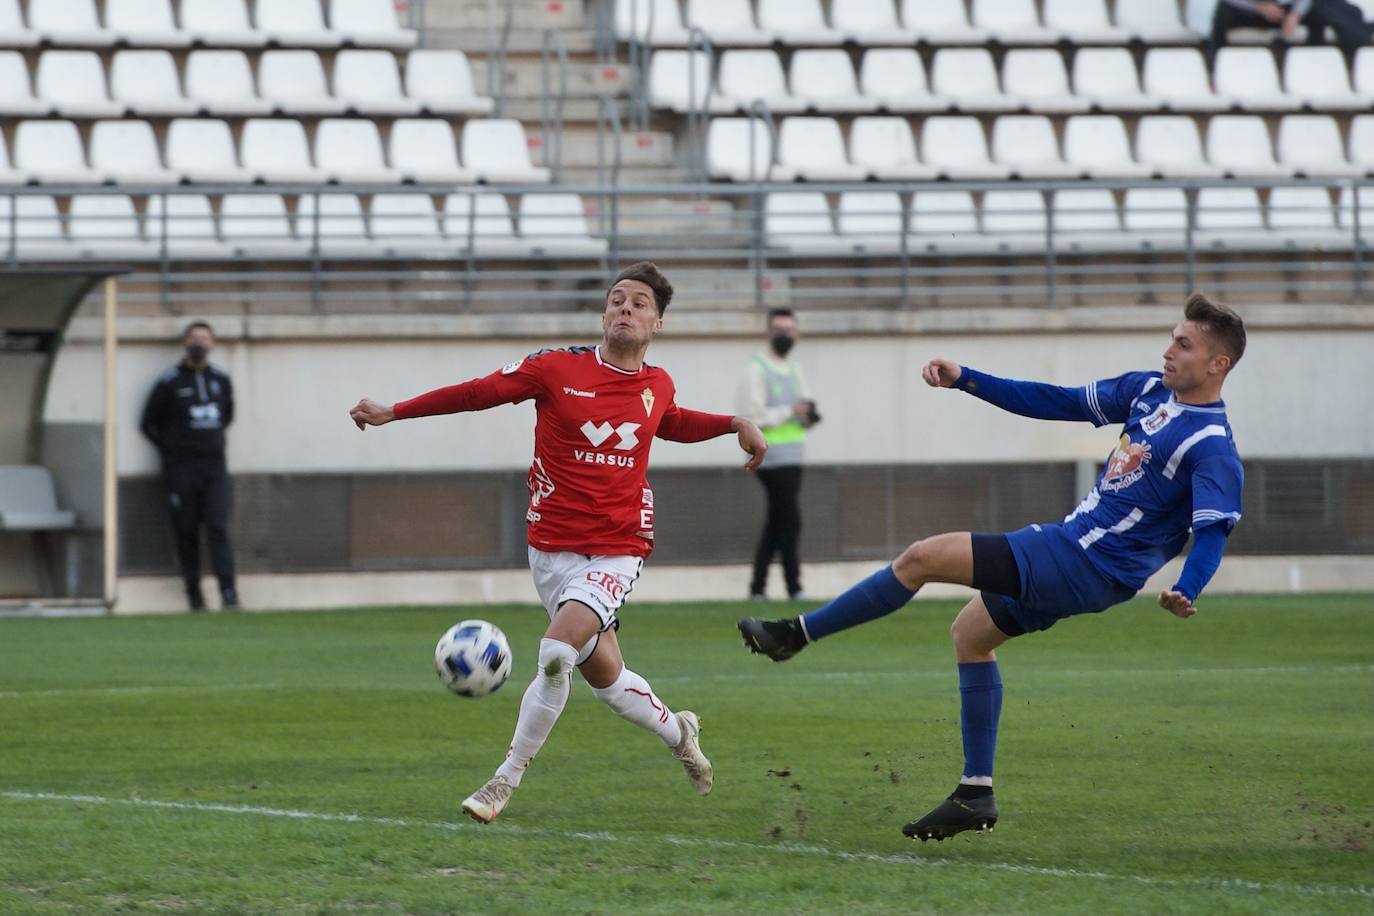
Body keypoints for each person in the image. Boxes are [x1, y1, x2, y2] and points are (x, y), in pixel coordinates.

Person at [739, 294, 1246, 843]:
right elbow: (1054, 400)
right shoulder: (1147, 391)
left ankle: (795, 634)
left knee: (921, 558)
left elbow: (1213, 528)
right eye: (1172, 338)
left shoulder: (1211, 444)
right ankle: (975, 791)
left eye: (1184, 344)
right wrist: (967, 379)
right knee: (971, 635)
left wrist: (1187, 586)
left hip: (1084, 562)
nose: (1168, 350)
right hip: (1076, 556)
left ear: (1217, 364)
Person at [349, 262, 768, 825]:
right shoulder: (554, 368)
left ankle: (504, 780)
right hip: (550, 548)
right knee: (610, 683)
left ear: (657, 324)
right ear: (603, 314)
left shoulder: (656, 383)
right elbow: (478, 393)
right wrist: (395, 411)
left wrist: (732, 421)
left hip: (619, 547)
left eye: (639, 303)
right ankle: (680, 732)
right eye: (617, 299)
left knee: (553, 653)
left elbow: (668, 421)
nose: (625, 308)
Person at [140, 320, 239, 611]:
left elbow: (228, 416)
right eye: (194, 338)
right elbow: (148, 424)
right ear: (185, 342)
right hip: (181, 470)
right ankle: (194, 595)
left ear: (212, 343)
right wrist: (172, 451)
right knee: (186, 530)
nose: (199, 343)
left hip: (215, 469)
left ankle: (229, 594)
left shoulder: (221, 379)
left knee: (218, 527)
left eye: (204, 338)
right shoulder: (169, 381)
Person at [737, 307, 818, 601]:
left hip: (793, 457)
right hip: (770, 459)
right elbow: (750, 416)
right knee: (789, 520)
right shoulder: (756, 368)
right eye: (779, 330)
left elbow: (804, 408)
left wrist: (807, 415)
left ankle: (758, 587)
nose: (785, 335)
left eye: (789, 330)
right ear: (768, 333)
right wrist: (790, 412)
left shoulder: (795, 369)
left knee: (778, 522)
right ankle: (793, 586)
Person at [1207, 0, 1373, 64]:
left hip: (1288, 10)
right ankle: (1215, 70)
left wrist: (1296, 14)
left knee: (1324, 10)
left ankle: (1314, 62)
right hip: (1253, 9)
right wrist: (1259, 8)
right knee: (1222, 12)